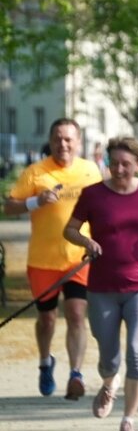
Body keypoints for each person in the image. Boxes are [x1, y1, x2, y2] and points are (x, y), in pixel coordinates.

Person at [64, 136, 138, 431]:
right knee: (109, 357)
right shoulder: (93, 195)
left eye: (126, 164)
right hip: (102, 286)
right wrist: (87, 242)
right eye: (114, 163)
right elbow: (69, 229)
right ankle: (109, 383)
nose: (119, 169)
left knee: (137, 353)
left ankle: (128, 421)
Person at [3, 118, 103, 400]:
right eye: (58, 138)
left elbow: (102, 208)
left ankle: (76, 374)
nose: (63, 144)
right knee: (46, 319)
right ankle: (46, 362)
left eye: (69, 139)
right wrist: (35, 202)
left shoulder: (90, 170)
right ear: (50, 140)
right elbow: (8, 207)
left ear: (79, 142)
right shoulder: (35, 172)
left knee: (76, 314)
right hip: (43, 260)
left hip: (78, 259)